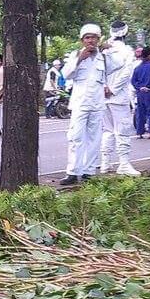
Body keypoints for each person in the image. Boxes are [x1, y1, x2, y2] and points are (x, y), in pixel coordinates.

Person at [60, 23, 107, 185]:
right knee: (75, 137)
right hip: (80, 103)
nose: (90, 41)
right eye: (87, 38)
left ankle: (89, 171)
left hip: (97, 103)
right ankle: (73, 172)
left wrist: (107, 48)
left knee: (94, 138)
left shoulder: (105, 57)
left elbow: (121, 64)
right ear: (82, 40)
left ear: (98, 39)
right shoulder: (75, 55)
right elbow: (65, 74)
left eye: (94, 37)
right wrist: (80, 59)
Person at [99, 20, 139, 177]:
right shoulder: (127, 51)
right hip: (118, 95)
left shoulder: (102, 49)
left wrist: (104, 87)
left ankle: (105, 163)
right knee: (122, 131)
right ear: (126, 33)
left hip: (103, 95)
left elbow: (99, 71)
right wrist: (113, 89)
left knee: (107, 131)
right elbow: (126, 73)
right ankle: (124, 163)